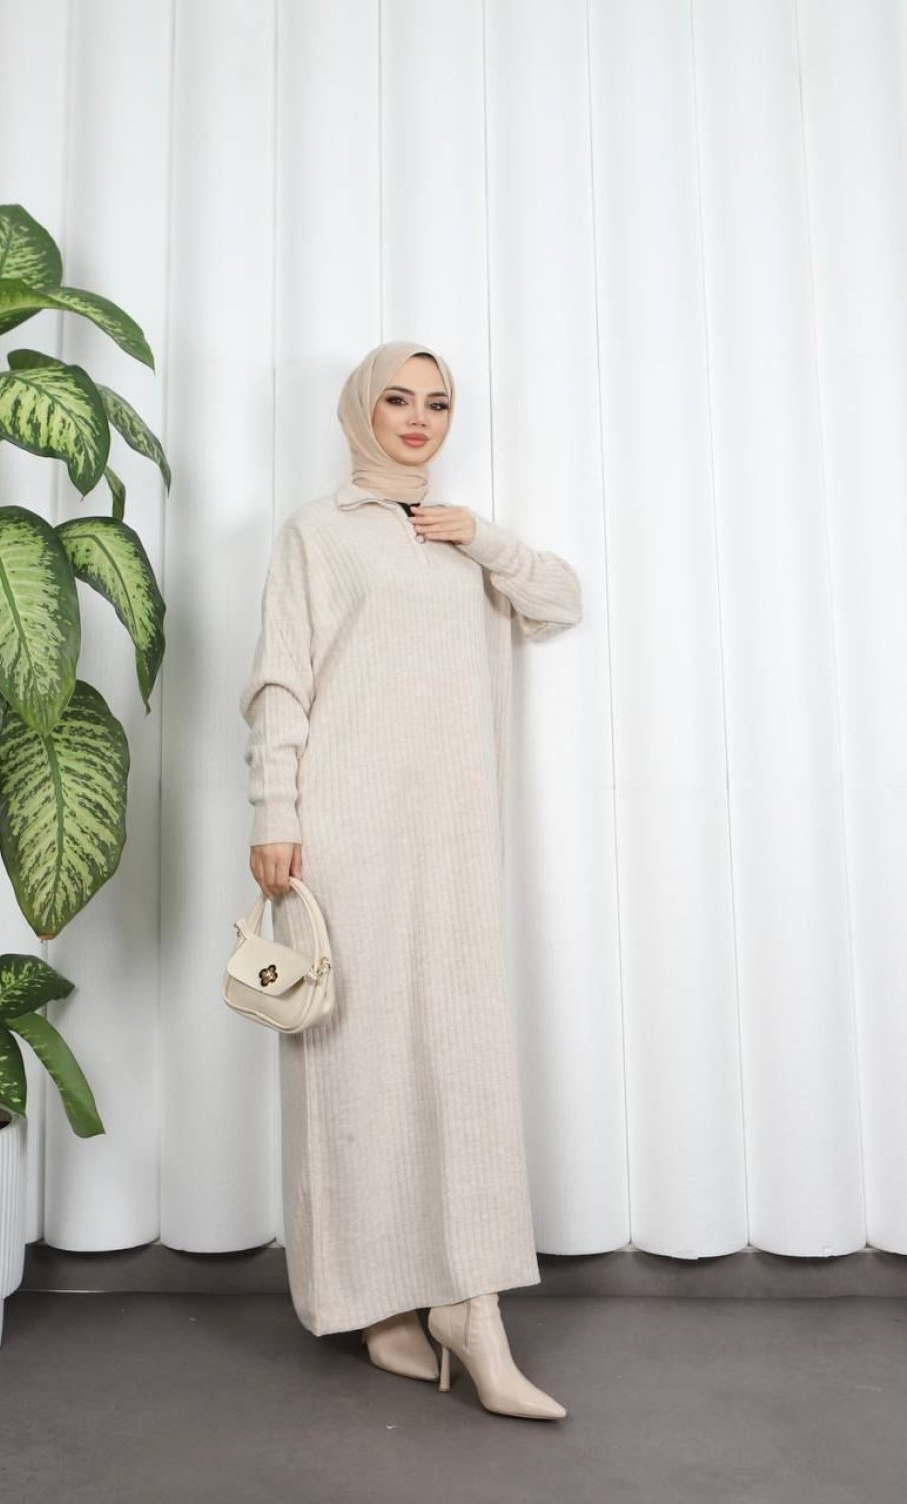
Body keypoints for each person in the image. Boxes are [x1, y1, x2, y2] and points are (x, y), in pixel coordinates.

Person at [239, 340, 584, 1420]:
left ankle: (470, 1307)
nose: (419, 418)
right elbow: (281, 680)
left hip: (453, 842)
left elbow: (558, 600)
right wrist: (275, 811)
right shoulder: (317, 531)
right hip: (344, 836)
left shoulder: (459, 539)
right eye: (398, 398)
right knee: (353, 1065)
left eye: (437, 402)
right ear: (363, 411)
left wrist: (481, 537)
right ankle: (372, 1300)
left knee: (462, 1066)